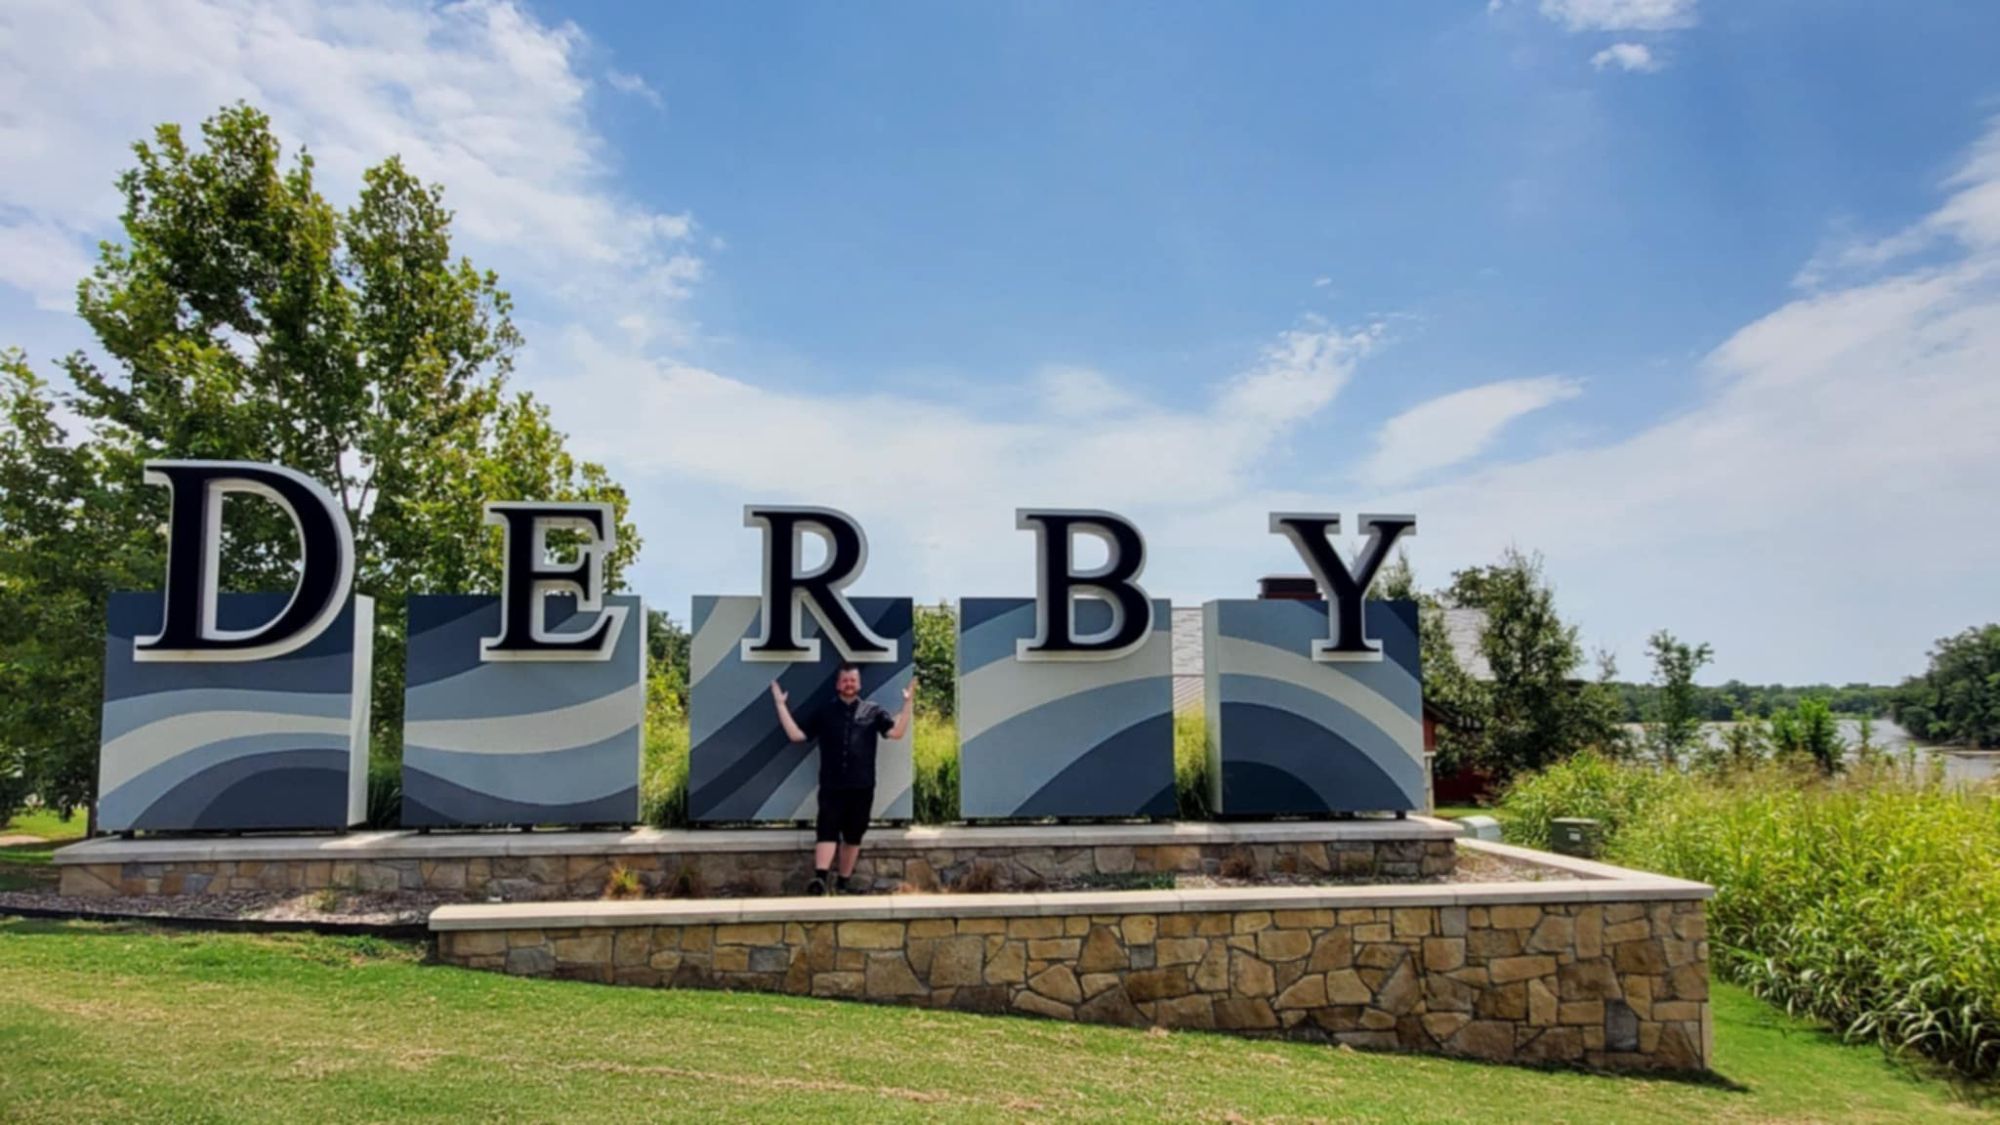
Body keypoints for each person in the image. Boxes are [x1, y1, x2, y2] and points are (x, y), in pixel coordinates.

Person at [770, 663, 915, 895]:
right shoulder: (824, 712)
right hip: (832, 784)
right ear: (838, 684)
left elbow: (896, 733)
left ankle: (843, 884)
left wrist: (908, 704)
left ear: (859, 684)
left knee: (853, 834)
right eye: (845, 680)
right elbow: (797, 735)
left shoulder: (874, 711)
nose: (849, 684)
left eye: (853, 680)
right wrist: (780, 705)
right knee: (826, 830)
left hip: (862, 786)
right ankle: (820, 879)